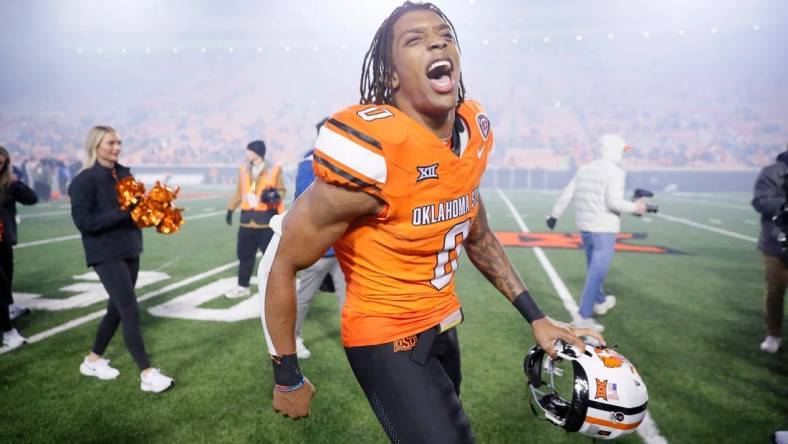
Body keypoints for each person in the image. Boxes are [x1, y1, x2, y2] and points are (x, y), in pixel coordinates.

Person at [259, 3, 603, 442]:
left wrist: (535, 316)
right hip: (384, 338)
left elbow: (477, 235)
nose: (437, 41)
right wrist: (286, 375)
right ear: (391, 76)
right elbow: (281, 258)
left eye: (443, 34)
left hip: (442, 326)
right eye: (415, 39)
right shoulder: (374, 154)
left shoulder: (471, 131)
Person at [68, 126, 173, 393]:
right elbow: (84, 222)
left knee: (115, 309)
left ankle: (92, 360)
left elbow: (136, 210)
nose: (116, 147)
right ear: (96, 145)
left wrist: (158, 210)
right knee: (129, 309)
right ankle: (147, 373)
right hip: (104, 253)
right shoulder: (83, 181)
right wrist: (124, 213)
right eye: (110, 143)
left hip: (129, 247)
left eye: (118, 143)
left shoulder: (125, 173)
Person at [547, 134, 646, 333]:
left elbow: (568, 193)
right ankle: (583, 318)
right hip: (604, 229)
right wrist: (636, 207)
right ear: (615, 151)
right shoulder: (616, 172)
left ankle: (600, 300)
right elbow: (614, 203)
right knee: (596, 272)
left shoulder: (585, 169)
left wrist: (554, 215)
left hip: (586, 228)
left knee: (594, 266)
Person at [291, 118, 347, 359]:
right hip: (319, 248)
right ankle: (293, 337)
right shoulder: (308, 163)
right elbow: (312, 203)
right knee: (304, 297)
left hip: (343, 247)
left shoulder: (345, 159)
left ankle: (354, 341)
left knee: (349, 300)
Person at [225, 140, 286, 299]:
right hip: (246, 221)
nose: (247, 154)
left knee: (271, 258)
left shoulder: (274, 169)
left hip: (266, 221)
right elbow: (240, 191)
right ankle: (242, 286)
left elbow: (281, 190)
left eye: (249, 151)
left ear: (257, 152)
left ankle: (276, 289)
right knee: (244, 256)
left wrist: (274, 196)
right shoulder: (244, 169)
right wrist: (231, 208)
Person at [0, 146, 38, 351]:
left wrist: (16, 184)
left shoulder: (9, 185)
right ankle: (8, 331)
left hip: (4, 238)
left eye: (1, 163)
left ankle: (10, 307)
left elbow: (32, 199)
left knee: (6, 276)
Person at [751, 144, 788, 354]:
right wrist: (785, 203)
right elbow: (760, 201)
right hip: (776, 242)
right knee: (775, 291)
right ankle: (773, 334)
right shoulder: (772, 171)